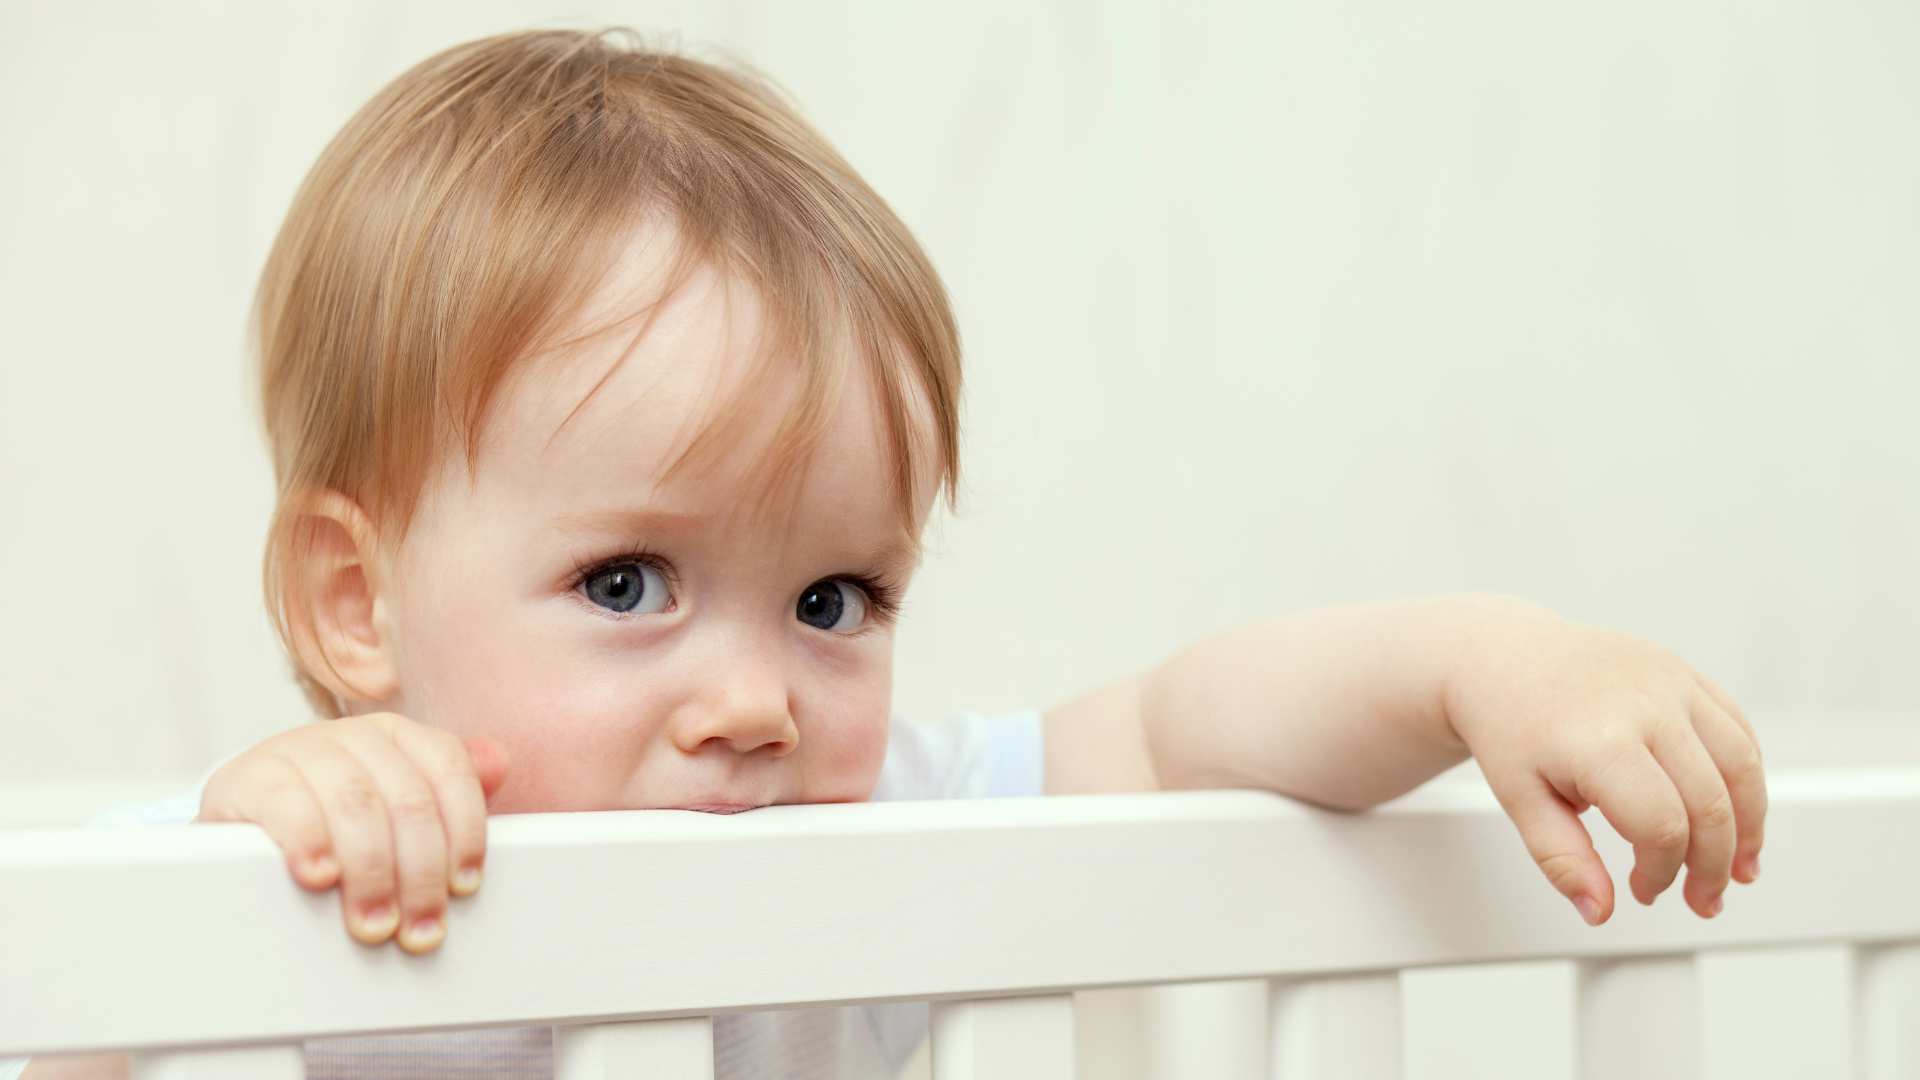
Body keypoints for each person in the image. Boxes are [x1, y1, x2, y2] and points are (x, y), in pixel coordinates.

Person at [8, 26, 1765, 1080]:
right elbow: (69, 997)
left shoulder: (875, 829)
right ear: (354, 604)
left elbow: (1170, 733)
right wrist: (265, 835)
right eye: (627, 585)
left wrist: (1474, 659)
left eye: (834, 600)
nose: (759, 702)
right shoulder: (296, 868)